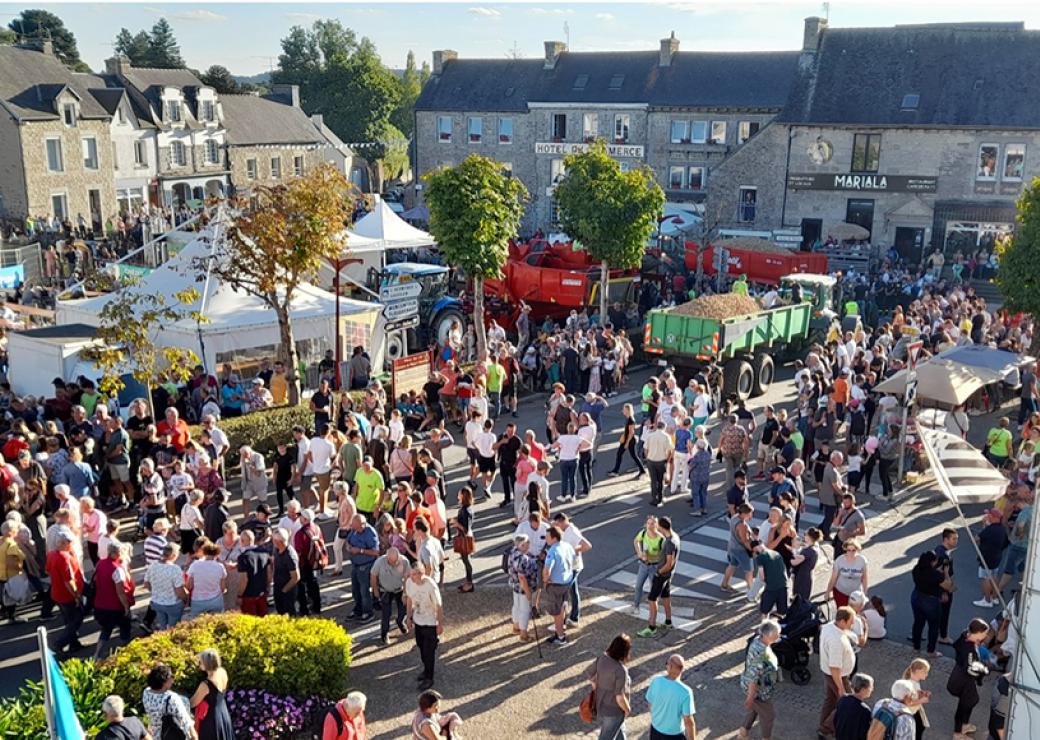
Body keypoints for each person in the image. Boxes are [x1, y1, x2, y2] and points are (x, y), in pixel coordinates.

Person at [818, 606, 858, 739]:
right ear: (842, 621)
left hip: (828, 672)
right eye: (850, 621)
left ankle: (823, 725)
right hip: (838, 676)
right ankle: (826, 728)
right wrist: (841, 688)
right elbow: (835, 667)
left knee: (830, 700)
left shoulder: (829, 626)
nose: (852, 624)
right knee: (847, 703)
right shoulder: (837, 641)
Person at [947, 618, 990, 739]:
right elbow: (970, 669)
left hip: (961, 675)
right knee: (964, 705)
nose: (986, 636)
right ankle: (957, 733)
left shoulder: (966, 636)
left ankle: (964, 724)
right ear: (978, 633)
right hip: (963, 679)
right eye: (984, 633)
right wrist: (983, 671)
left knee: (971, 701)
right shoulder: (969, 650)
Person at [585, 633, 633, 740]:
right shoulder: (620, 670)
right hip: (614, 711)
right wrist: (627, 709)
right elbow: (619, 697)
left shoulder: (602, 658)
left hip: (601, 705)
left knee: (619, 731)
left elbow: (590, 673)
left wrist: (596, 686)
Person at [405, 564, 445, 691]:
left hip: (430, 622)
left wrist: (440, 624)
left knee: (429, 651)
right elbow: (410, 600)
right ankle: (426, 669)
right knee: (421, 647)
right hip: (418, 620)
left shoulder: (430, 586)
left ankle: (429, 677)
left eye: (414, 574)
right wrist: (409, 617)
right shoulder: (410, 583)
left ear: (421, 574)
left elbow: (439, 606)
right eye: (410, 574)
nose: (411, 577)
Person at [740, 619, 780, 740]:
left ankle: (743, 733)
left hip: (759, 690)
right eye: (777, 633)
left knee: (755, 710)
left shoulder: (758, 641)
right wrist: (750, 697)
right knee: (768, 716)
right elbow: (754, 678)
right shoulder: (761, 653)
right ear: (768, 635)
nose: (779, 635)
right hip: (759, 692)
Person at [639, 516, 679, 638]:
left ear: (661, 527)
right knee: (666, 596)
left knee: (652, 599)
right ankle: (668, 621)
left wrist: (659, 572)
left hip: (662, 574)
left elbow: (669, 563)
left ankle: (651, 627)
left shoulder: (669, 543)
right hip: (669, 575)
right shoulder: (675, 537)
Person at [46, 530, 84, 654]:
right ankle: (59, 643)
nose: (72, 544)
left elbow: (48, 571)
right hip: (67, 596)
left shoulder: (52, 554)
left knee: (68, 620)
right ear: (65, 543)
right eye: (70, 542)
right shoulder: (64, 558)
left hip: (57, 594)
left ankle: (74, 644)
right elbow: (69, 581)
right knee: (75, 621)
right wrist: (77, 596)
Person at [910, 551, 953, 657]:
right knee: (933, 626)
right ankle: (931, 651)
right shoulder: (935, 575)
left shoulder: (916, 569)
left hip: (917, 596)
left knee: (918, 623)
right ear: (932, 562)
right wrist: (946, 573)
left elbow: (927, 576)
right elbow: (948, 586)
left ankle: (916, 647)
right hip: (931, 601)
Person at [645, 653, 697, 740]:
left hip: (655, 731)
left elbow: (650, 704)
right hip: (675, 735)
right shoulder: (686, 692)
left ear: (670, 667)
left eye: (667, 663)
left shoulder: (656, 681)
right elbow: (688, 721)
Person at [553, 511, 591, 625]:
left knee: (565, 591)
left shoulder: (572, 531)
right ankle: (574, 617)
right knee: (573, 591)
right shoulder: (565, 530)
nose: (557, 527)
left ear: (562, 521)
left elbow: (587, 545)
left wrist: (573, 551)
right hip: (569, 565)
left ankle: (565, 619)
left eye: (557, 524)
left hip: (574, 566)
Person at [542, 524, 577, 646]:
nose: (546, 539)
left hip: (556, 584)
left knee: (556, 611)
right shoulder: (567, 546)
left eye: (547, 537)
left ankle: (560, 637)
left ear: (554, 538)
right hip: (566, 581)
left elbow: (547, 569)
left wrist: (546, 579)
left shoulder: (553, 550)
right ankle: (560, 630)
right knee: (563, 606)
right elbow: (574, 560)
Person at [142, 664, 197, 740]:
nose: (172, 680)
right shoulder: (171, 698)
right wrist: (194, 735)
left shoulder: (146, 692)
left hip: (155, 735)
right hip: (172, 735)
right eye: (171, 677)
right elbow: (185, 720)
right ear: (164, 682)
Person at [371, 546, 407, 646]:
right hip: (385, 590)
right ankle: (385, 633)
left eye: (395, 561)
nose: (393, 564)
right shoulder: (379, 562)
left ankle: (400, 622)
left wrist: (405, 593)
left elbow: (407, 577)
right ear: (386, 558)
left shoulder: (404, 561)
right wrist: (375, 592)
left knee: (403, 609)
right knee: (386, 613)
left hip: (399, 589)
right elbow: (373, 576)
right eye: (391, 561)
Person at [506, 533, 539, 643]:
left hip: (515, 585)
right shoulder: (523, 559)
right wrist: (528, 592)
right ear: (523, 545)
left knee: (516, 606)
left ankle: (516, 627)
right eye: (528, 542)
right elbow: (522, 577)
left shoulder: (513, 551)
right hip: (524, 587)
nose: (529, 544)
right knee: (525, 610)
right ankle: (524, 635)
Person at [975, 508, 1009, 608]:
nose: (988, 517)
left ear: (994, 517)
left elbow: (977, 538)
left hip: (987, 557)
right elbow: (1006, 542)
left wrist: (984, 526)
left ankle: (987, 600)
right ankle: (994, 597)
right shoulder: (1002, 529)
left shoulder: (990, 529)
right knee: (994, 576)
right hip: (997, 557)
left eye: (989, 515)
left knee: (984, 577)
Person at [632, 516, 664, 614]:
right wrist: (639, 553)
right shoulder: (643, 533)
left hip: (654, 566)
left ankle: (653, 609)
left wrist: (651, 557)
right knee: (638, 586)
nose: (649, 526)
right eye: (648, 523)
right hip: (644, 565)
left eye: (652, 524)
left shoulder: (661, 538)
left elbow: (663, 555)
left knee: (653, 589)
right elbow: (636, 541)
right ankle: (636, 606)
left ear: (656, 525)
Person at [235, 531, 271, 617]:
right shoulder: (264, 553)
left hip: (248, 595)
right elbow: (269, 573)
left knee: (251, 622)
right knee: (263, 620)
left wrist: (239, 595)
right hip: (262, 593)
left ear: (242, 541)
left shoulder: (243, 557)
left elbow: (244, 579)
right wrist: (268, 587)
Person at [721, 504, 755, 593]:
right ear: (744, 513)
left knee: (732, 566)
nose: (751, 515)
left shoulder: (735, 517)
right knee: (749, 571)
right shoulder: (742, 526)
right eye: (750, 513)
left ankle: (724, 585)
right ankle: (752, 592)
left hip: (733, 547)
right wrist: (753, 550)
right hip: (741, 550)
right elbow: (745, 541)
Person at [828, 538, 868, 609]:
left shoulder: (862, 560)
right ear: (845, 550)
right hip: (841, 592)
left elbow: (865, 578)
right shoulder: (839, 560)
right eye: (849, 550)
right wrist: (828, 592)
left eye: (853, 550)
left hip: (855, 594)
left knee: (854, 615)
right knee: (843, 615)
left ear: (857, 550)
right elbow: (833, 577)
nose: (851, 552)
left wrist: (864, 594)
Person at [833, 673, 874, 740]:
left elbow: (835, 720)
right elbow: (864, 733)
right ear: (863, 689)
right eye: (870, 687)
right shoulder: (864, 710)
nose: (872, 690)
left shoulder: (843, 699)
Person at [608, 403, 645, 478]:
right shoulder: (629, 418)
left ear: (628, 410)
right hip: (627, 439)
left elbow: (631, 432)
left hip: (629, 440)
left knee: (631, 455)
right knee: (622, 454)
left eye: (624, 409)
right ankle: (616, 470)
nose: (623, 411)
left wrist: (627, 443)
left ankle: (616, 471)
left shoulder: (631, 420)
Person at [753, 541, 789, 616]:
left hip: (771, 588)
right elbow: (784, 569)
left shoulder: (760, 557)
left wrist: (764, 585)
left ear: (755, 548)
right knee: (782, 612)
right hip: (783, 585)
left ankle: (764, 625)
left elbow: (762, 575)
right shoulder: (776, 553)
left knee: (765, 611)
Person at [271, 527, 300, 616]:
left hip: (287, 590)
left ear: (278, 542)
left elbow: (295, 577)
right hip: (278, 585)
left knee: (289, 613)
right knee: (280, 611)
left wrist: (284, 590)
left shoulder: (289, 556)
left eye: (274, 540)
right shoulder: (277, 549)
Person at [644, 421, 672, 506]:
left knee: (653, 480)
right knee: (660, 480)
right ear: (664, 427)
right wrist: (667, 460)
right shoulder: (666, 436)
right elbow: (670, 450)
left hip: (651, 460)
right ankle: (660, 498)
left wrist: (647, 457)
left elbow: (645, 448)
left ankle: (654, 498)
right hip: (661, 461)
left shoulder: (650, 435)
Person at [791, 528, 822, 604]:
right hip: (807, 575)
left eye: (805, 534)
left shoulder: (808, 551)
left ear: (809, 536)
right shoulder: (815, 547)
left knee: (800, 599)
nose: (804, 536)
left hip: (802, 578)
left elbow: (794, 562)